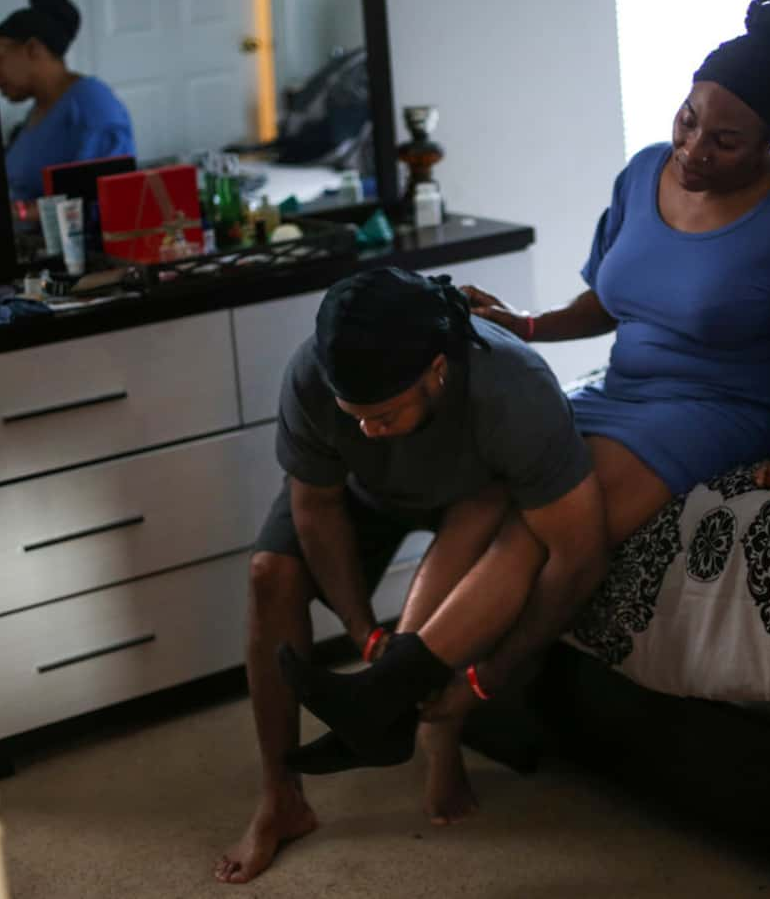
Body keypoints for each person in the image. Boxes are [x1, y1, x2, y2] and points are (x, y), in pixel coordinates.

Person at [446, 0, 770, 795]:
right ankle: (419, 673)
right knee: (493, 495)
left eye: (725, 140)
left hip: (723, 406)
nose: (693, 149)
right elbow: (609, 298)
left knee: (552, 526)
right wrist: (529, 325)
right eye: (687, 120)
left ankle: (481, 685)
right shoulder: (644, 170)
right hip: (624, 389)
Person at [215, 267, 607, 884]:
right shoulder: (312, 376)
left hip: (474, 496)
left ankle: (434, 731)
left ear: (437, 370)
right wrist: (360, 627)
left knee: (483, 515)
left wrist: (489, 678)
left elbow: (579, 554)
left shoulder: (514, 387)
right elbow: (315, 506)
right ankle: (281, 799)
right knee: (271, 574)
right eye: (356, 416)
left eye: (385, 414)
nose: (367, 428)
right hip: (363, 495)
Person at [0, 0, 135, 202]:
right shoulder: (39, 111)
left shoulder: (91, 103)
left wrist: (25, 214)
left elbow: (108, 198)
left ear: (33, 49)